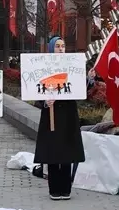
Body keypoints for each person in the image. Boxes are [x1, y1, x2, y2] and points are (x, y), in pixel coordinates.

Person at [33, 37, 84, 200]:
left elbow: (80, 88)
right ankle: (54, 189)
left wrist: (88, 78)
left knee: (67, 151)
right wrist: (45, 102)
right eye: (57, 46)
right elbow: (35, 90)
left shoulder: (73, 65)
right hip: (51, 116)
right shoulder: (43, 66)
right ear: (51, 49)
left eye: (63, 46)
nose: (61, 49)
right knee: (53, 153)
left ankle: (66, 188)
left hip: (68, 115)